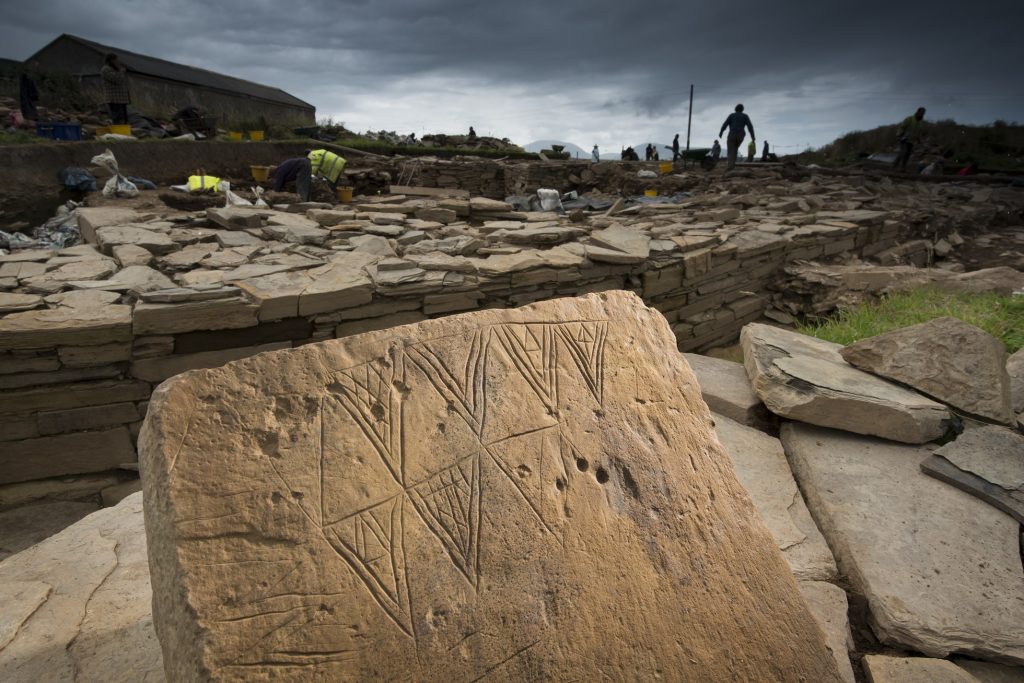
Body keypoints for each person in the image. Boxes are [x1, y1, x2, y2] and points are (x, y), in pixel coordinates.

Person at [719, 104, 755, 170]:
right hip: (740, 135)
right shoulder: (745, 116)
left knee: (731, 151)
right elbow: (750, 126)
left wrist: (721, 132)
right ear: (742, 109)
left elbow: (725, 124)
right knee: (734, 150)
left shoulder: (732, 115)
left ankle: (730, 166)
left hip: (732, 134)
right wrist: (753, 137)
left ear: (735, 109)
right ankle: (732, 165)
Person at [100, 53, 130, 125]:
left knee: (124, 117)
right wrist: (121, 71)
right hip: (114, 99)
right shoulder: (106, 69)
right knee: (118, 118)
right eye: (116, 59)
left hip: (122, 99)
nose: (118, 61)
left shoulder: (115, 69)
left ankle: (124, 132)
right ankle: (118, 132)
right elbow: (116, 79)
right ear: (111, 60)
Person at [893, 107, 926, 172]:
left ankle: (903, 168)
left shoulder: (921, 123)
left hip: (911, 141)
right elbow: (902, 127)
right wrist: (899, 134)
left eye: (923, 113)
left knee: (908, 155)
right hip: (904, 139)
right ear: (918, 112)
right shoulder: (909, 119)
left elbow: (918, 133)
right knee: (903, 152)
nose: (922, 114)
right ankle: (895, 166)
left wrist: (919, 140)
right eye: (921, 112)